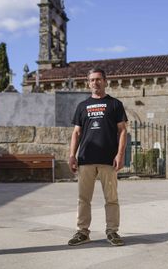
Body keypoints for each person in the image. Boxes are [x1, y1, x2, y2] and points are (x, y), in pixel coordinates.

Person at [68, 68, 128, 247]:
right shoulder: (82, 106)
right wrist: (72, 155)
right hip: (85, 159)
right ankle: (82, 232)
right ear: (88, 83)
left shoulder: (115, 104)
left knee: (111, 198)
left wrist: (120, 154)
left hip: (108, 160)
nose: (95, 82)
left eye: (99, 79)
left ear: (105, 81)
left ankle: (112, 231)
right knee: (83, 199)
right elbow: (76, 133)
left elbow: (123, 130)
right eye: (92, 80)